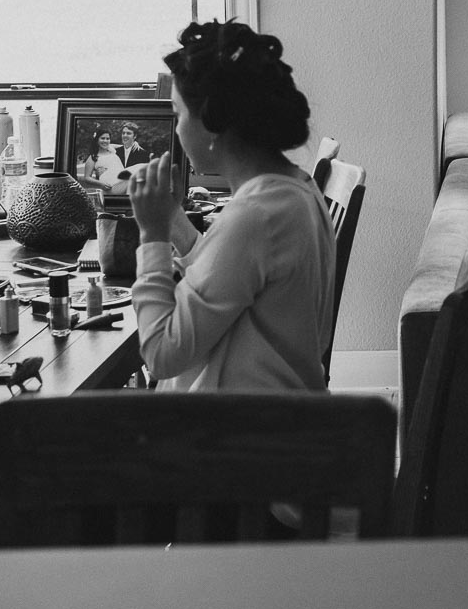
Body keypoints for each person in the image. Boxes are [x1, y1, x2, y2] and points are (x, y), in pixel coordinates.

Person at [127, 19, 336, 392]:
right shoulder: (292, 189)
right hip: (281, 422)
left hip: (240, 440)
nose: (176, 130)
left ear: (211, 123)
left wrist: (152, 235)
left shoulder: (257, 215)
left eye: (178, 115)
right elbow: (228, 272)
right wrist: (173, 217)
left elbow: (161, 354)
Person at [78, 129, 124, 193]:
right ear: (97, 140)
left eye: (107, 139)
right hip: (110, 187)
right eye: (102, 138)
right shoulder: (93, 157)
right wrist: (101, 183)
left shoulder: (111, 149)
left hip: (122, 181)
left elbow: (128, 147)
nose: (105, 141)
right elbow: (87, 178)